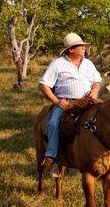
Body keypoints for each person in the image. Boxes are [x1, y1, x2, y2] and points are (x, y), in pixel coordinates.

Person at [39, 32, 102, 178]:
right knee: (55, 124)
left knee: (108, 116)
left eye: (84, 46)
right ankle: (55, 159)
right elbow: (44, 85)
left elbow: (97, 80)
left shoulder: (88, 63)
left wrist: (95, 89)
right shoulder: (57, 64)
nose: (84, 48)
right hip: (67, 103)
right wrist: (56, 101)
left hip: (88, 100)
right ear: (71, 49)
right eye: (81, 46)